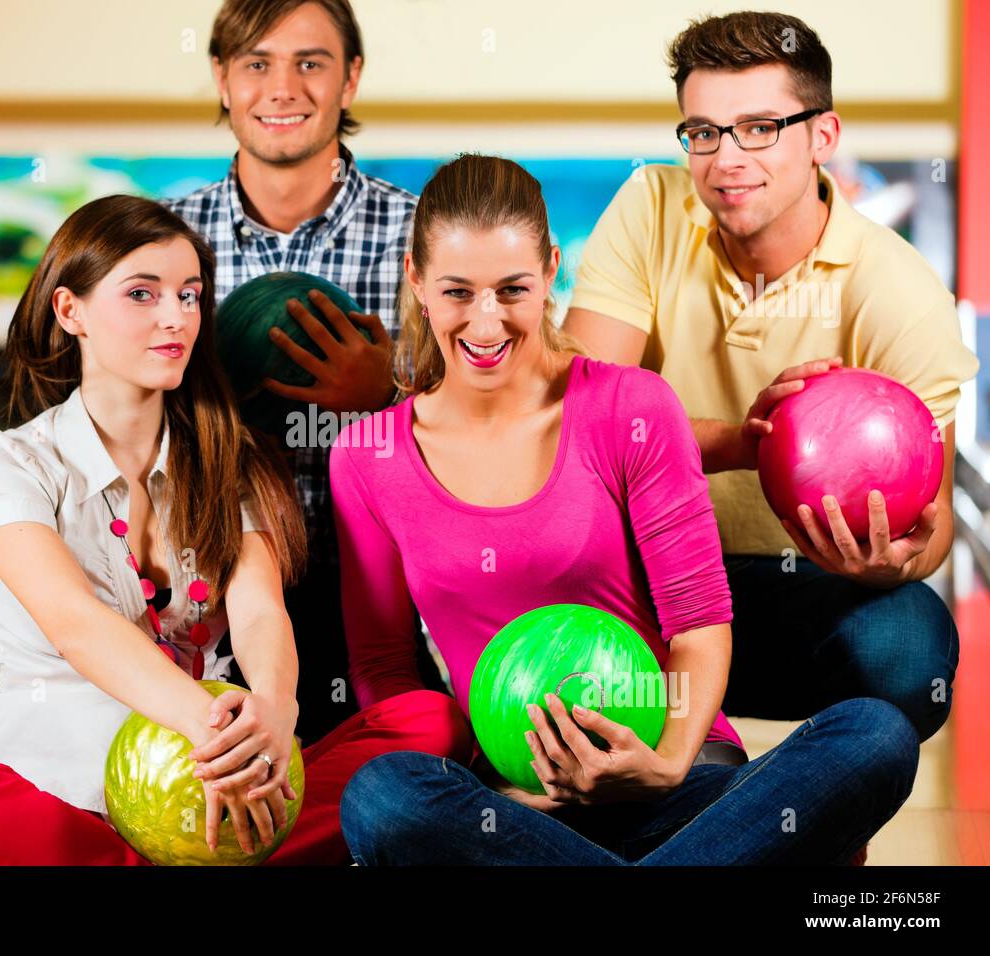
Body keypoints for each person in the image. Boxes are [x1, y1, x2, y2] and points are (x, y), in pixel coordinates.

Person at [333, 154, 918, 865]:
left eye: (512, 289)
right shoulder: (368, 457)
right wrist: (507, 786)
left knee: (873, 734)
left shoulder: (629, 408)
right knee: (382, 792)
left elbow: (699, 622)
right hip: (515, 808)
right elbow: (386, 668)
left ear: (552, 271)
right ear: (417, 280)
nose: (485, 322)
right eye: (458, 291)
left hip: (675, 783)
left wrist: (665, 762)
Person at [0, 0, 438, 744]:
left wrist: (392, 395)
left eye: (309, 62)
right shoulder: (166, 239)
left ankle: (256, 739)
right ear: (223, 79)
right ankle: (113, 738)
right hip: (203, 575)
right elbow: (96, 431)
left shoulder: (424, 243)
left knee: (402, 722)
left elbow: (506, 423)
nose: (282, 87)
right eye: (257, 63)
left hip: (363, 583)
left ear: (350, 79)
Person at [0, 195, 471, 866]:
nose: (176, 317)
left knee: (427, 722)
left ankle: (218, 851)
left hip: (231, 785)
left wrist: (273, 714)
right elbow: (75, 622)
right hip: (68, 796)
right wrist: (216, 734)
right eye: (142, 294)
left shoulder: (228, 458)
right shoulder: (10, 461)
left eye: (190, 295)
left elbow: (259, 611)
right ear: (70, 310)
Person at [561, 11, 979, 744]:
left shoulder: (900, 289)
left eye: (759, 127)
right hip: (648, 578)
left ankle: (818, 804)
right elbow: (572, 427)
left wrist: (887, 561)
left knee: (912, 650)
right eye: (704, 131)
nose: (726, 158)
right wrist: (743, 441)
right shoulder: (649, 211)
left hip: (807, 589)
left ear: (824, 137)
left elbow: (934, 523)